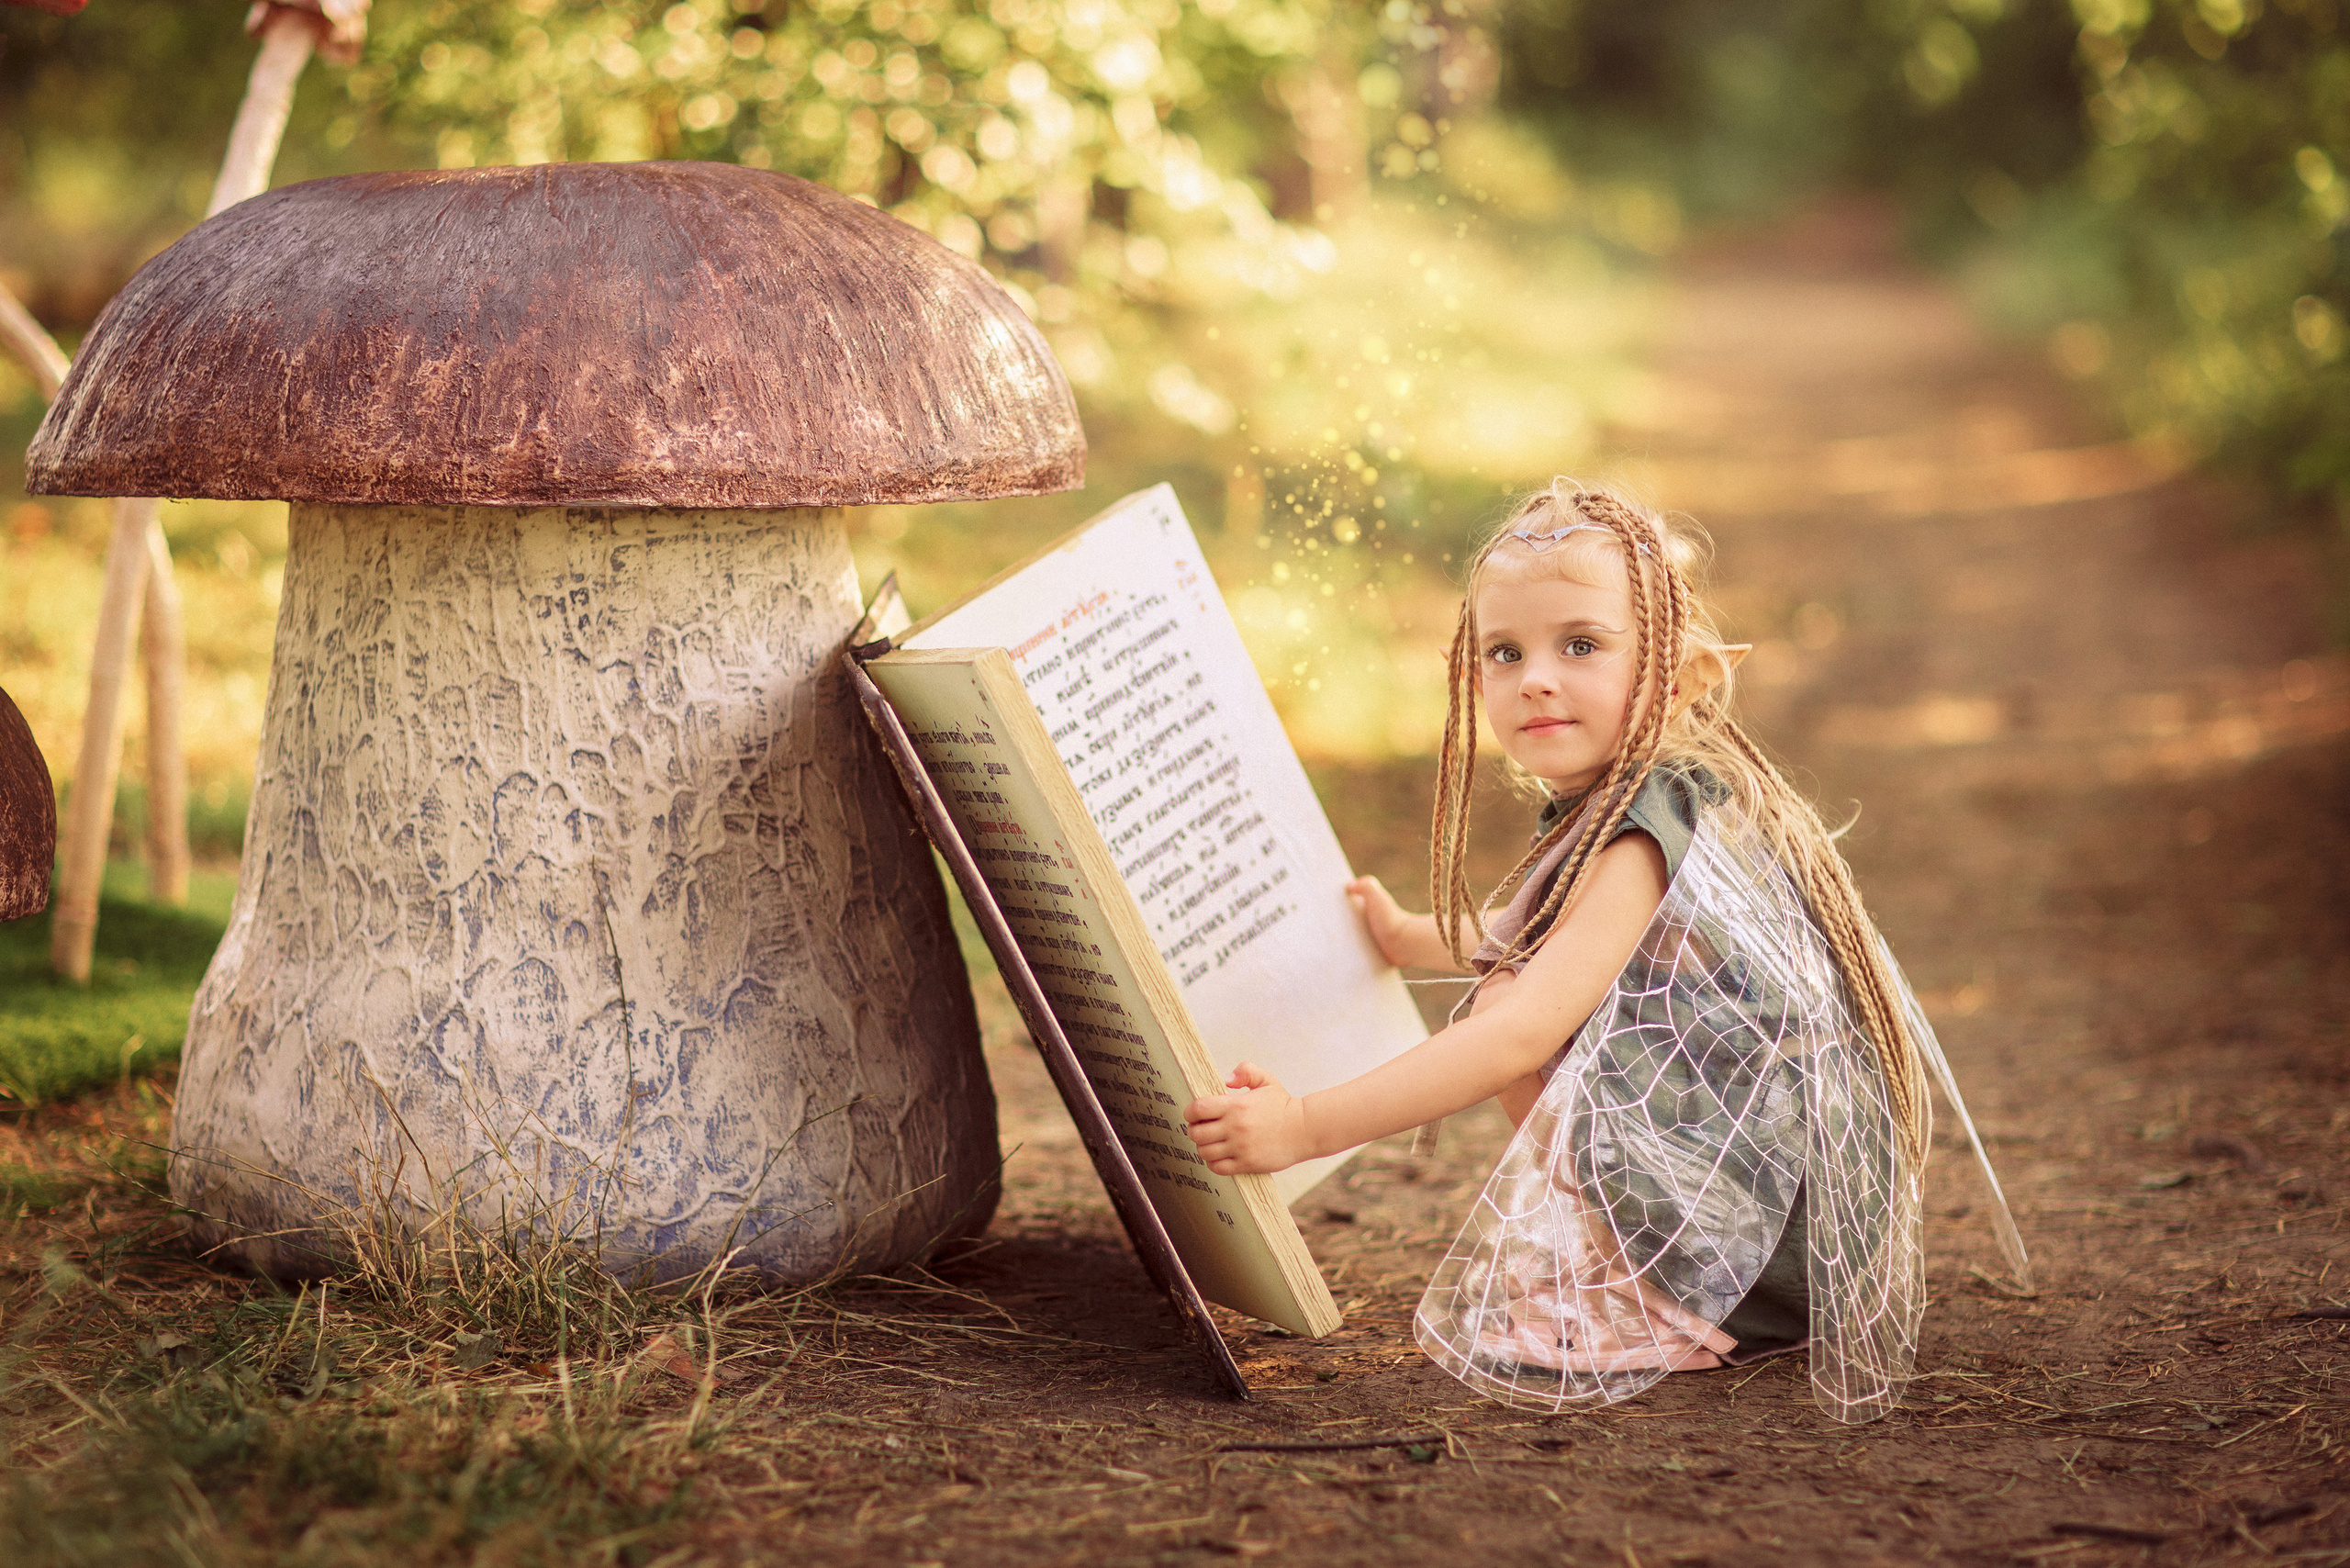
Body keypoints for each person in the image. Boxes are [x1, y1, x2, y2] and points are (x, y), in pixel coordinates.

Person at [1181, 482, 2027, 1423]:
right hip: (1771, 1209)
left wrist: (1306, 1126)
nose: (1534, 677)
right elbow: (1534, 932)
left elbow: (1518, 1031)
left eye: (1579, 644)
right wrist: (1403, 936)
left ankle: (1660, 1298)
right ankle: (1642, 1267)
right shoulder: (1644, 799)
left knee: (1509, 1008)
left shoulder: (1636, 834)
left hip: (1762, 1242)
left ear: (1675, 675)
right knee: (1513, 979)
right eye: (1505, 653)